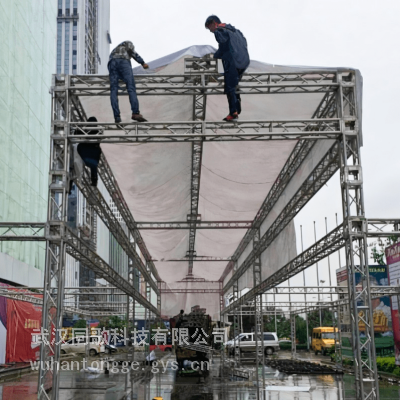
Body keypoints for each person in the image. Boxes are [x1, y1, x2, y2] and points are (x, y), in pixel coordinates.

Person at [205, 15, 250, 122]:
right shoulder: (236, 31)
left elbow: (222, 43)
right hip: (243, 62)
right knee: (235, 86)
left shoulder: (220, 30)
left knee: (229, 86)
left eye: (209, 27)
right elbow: (244, 42)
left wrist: (215, 55)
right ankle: (237, 110)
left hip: (233, 61)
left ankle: (233, 112)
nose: (210, 31)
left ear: (214, 23)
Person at [108, 41, 149, 123]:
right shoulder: (128, 44)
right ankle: (135, 113)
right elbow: (133, 52)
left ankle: (117, 117)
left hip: (112, 63)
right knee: (131, 88)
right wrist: (142, 63)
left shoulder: (114, 50)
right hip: (123, 62)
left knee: (113, 90)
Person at [76, 116, 101, 187]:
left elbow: (76, 133)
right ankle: (94, 180)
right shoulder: (98, 132)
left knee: (78, 146)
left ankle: (94, 180)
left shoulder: (85, 130)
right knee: (94, 166)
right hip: (93, 156)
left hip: (86, 154)